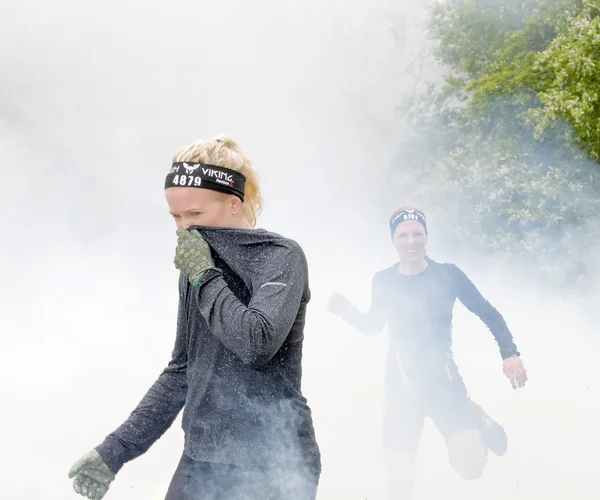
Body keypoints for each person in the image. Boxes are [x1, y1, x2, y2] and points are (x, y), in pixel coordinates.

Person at [68, 136, 321, 500]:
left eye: (195, 214)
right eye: (176, 217)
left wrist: (204, 275)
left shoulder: (280, 256)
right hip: (202, 459)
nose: (185, 228)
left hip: (275, 461)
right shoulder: (196, 265)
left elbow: (256, 343)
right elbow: (182, 371)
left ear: (234, 203)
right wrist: (114, 451)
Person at [328, 206, 527, 499]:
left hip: (443, 381)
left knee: (472, 467)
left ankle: (477, 420)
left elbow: (487, 312)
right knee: (400, 480)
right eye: (404, 235)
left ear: (426, 238)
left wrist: (510, 354)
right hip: (401, 384)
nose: (411, 241)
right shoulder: (384, 279)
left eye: (417, 234)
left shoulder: (447, 274)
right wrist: (346, 311)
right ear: (394, 240)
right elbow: (373, 325)